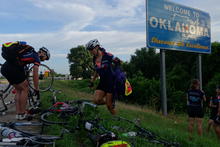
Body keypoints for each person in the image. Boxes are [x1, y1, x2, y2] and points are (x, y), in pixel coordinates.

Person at [1, 41, 50, 120]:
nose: (44, 60)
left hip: (5, 68)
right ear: (43, 54)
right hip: (13, 69)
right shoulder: (36, 56)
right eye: (45, 58)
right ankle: (22, 113)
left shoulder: (28, 52)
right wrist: (36, 89)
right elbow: (35, 74)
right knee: (25, 89)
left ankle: (19, 114)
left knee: (18, 90)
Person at [85, 39, 120, 115]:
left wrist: (118, 64)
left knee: (109, 106)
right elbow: (96, 70)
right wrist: (92, 81)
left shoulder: (108, 56)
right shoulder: (94, 59)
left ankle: (116, 119)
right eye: (89, 50)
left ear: (97, 47)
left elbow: (119, 62)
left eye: (91, 49)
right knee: (96, 100)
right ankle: (109, 102)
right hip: (103, 82)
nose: (90, 52)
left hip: (111, 82)